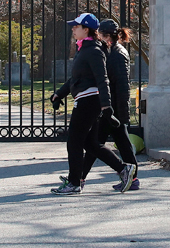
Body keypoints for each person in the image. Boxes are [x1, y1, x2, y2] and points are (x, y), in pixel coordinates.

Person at [49, 12, 136, 195]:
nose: (73, 29)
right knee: (91, 144)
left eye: (76, 26)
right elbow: (76, 78)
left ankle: (74, 183)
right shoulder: (84, 49)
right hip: (85, 99)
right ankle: (123, 169)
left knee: (74, 142)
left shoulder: (94, 50)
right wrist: (59, 94)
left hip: (89, 101)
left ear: (86, 29)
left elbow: (102, 80)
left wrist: (106, 107)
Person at [78, 19, 141, 191]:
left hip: (113, 108)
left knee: (97, 144)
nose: (96, 37)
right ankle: (132, 178)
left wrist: (121, 113)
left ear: (107, 36)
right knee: (117, 144)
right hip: (109, 107)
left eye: (99, 35)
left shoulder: (117, 54)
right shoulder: (110, 51)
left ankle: (79, 178)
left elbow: (122, 85)